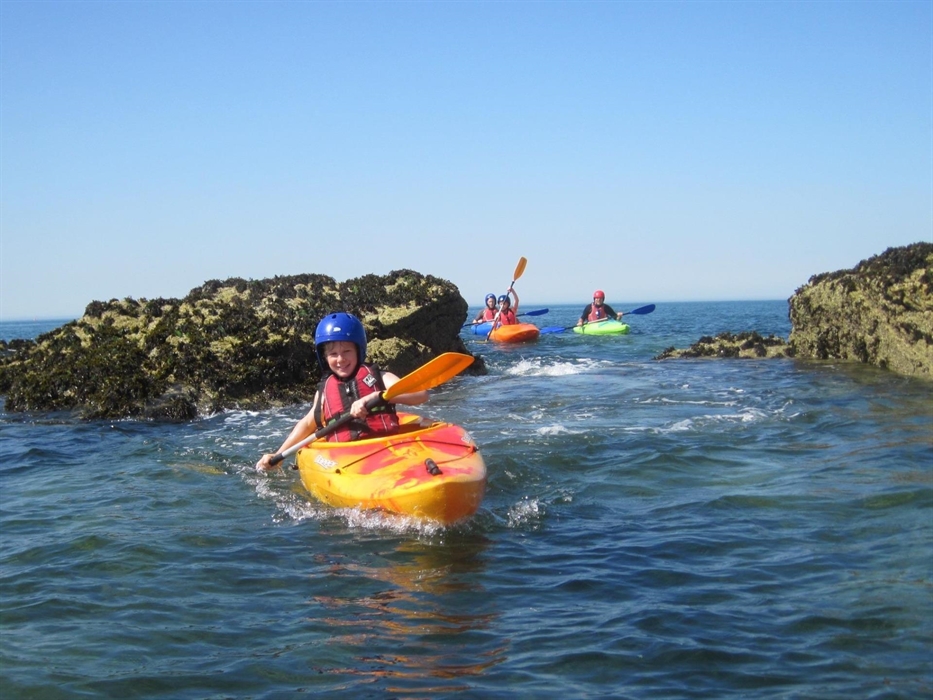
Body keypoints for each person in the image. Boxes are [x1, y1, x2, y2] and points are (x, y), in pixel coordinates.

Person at [256, 312, 428, 470]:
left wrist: (378, 397)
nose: (340, 359)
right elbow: (308, 424)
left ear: (358, 351)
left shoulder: (381, 377)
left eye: (347, 351)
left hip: (388, 449)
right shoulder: (324, 392)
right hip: (346, 459)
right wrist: (278, 455)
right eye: (333, 354)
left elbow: (421, 395)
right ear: (324, 358)